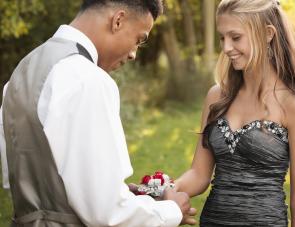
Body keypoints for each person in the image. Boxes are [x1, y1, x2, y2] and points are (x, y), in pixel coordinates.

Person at [0, 0, 196, 226]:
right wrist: (171, 210)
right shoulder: (87, 79)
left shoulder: (21, 73)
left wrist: (119, 192)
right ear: (118, 20)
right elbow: (106, 212)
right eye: (138, 40)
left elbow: (23, 181)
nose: (133, 54)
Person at [174, 0, 295, 226]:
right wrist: (166, 190)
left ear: (267, 34)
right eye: (222, 38)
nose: (226, 48)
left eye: (235, 37)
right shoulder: (216, 97)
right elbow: (199, 174)